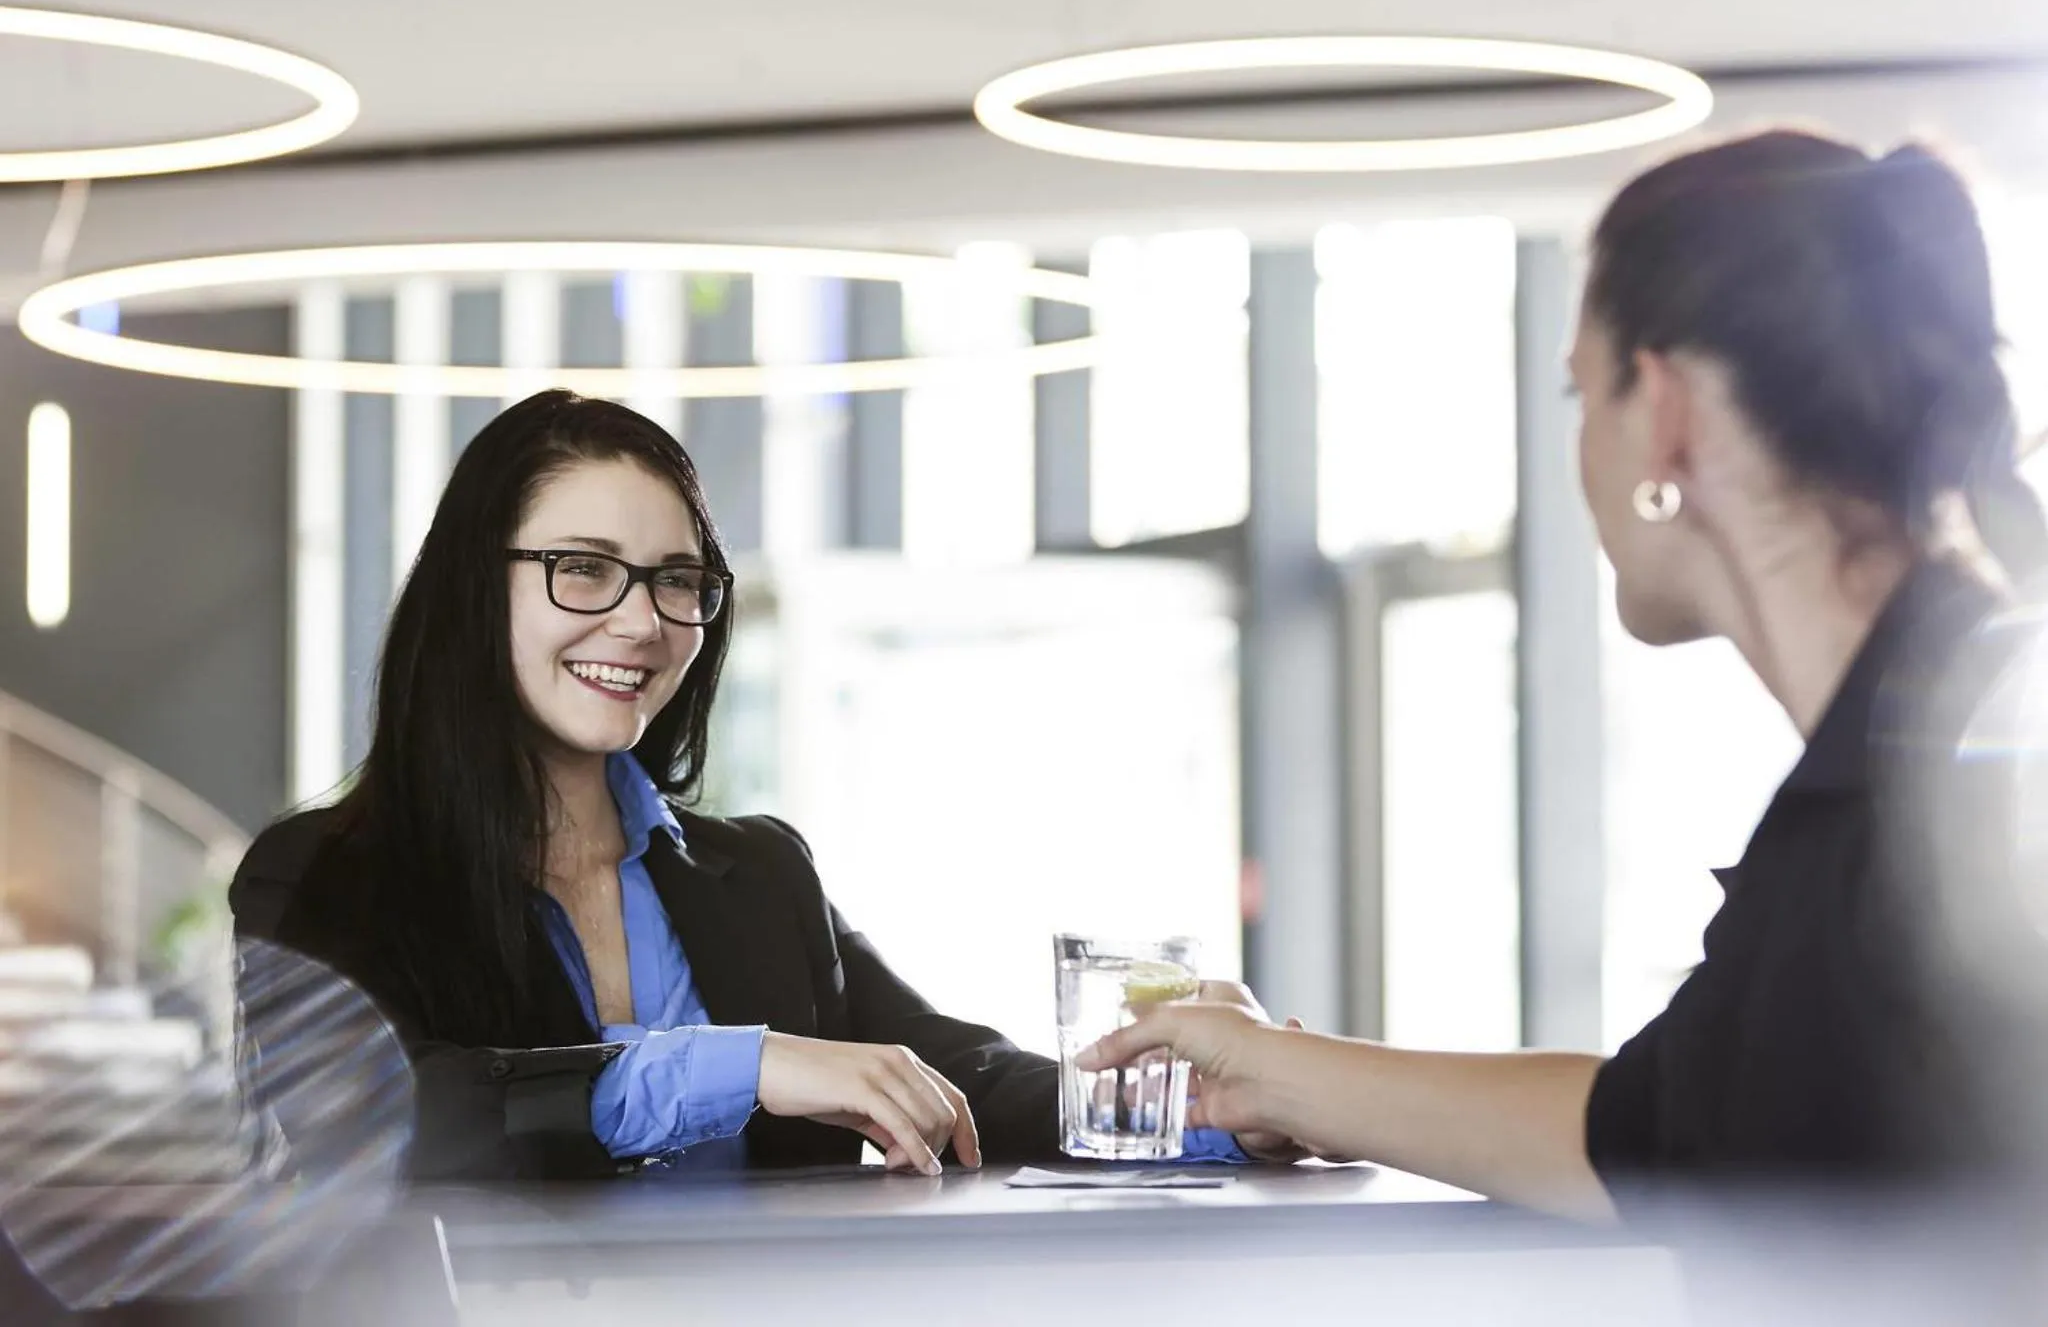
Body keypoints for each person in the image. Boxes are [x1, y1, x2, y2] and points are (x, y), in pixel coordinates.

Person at [1082, 129, 2048, 1220]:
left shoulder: (1985, 771)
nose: (1577, 452)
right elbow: (1646, 1132)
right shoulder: (1883, 776)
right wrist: (1264, 1071)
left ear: (1665, 410)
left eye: (1578, 397)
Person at [231, 390, 1254, 1181]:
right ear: (471, 590)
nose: (641, 622)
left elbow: (954, 1072)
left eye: (676, 580)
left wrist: (1208, 1117)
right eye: (583, 568)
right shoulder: (320, 874)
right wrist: (740, 1065)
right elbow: (384, 1118)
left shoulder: (758, 873)